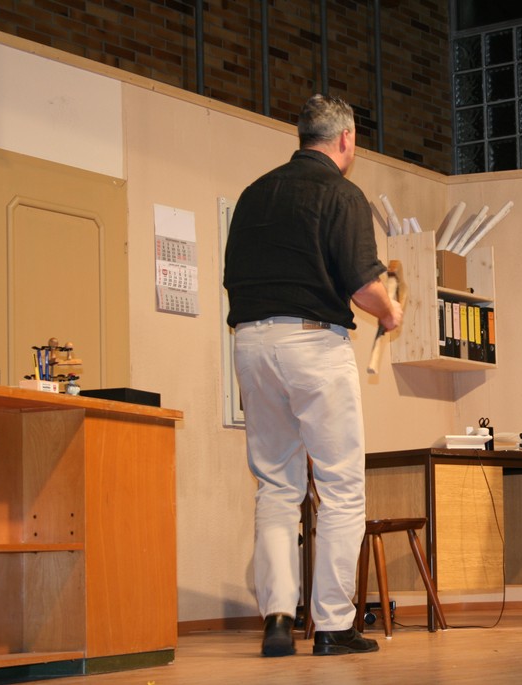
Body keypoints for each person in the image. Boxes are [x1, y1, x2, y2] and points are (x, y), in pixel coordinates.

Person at [223, 94, 402, 657]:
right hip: (313, 342)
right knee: (341, 487)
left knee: (277, 486)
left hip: (250, 342)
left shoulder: (254, 194)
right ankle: (332, 624)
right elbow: (363, 284)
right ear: (346, 139)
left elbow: (232, 277)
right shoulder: (342, 194)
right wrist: (390, 311)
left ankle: (278, 618)